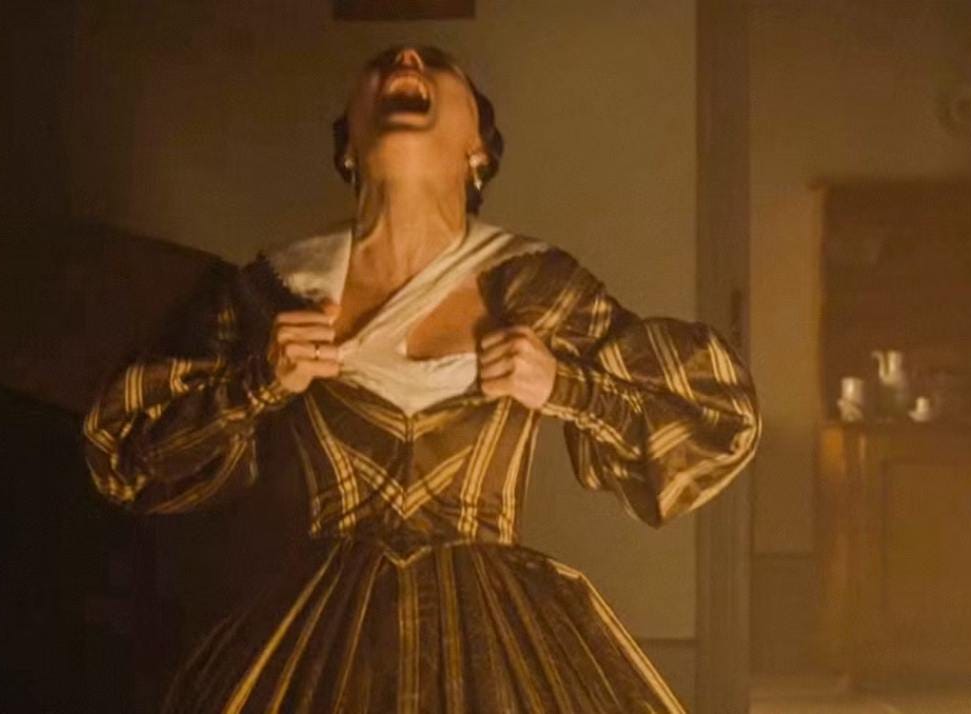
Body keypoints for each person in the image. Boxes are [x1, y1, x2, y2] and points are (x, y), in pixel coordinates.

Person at [83, 45, 761, 714]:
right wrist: (259, 383)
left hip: (502, 639)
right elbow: (127, 459)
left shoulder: (535, 285)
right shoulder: (274, 290)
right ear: (348, 147)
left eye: (436, 64)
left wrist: (567, 388)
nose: (406, 58)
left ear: (478, 150)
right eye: (381, 64)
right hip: (318, 641)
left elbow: (715, 422)